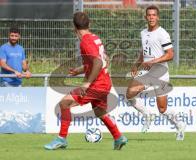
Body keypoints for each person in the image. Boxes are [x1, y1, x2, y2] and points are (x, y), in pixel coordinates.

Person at [44, 12, 127, 150]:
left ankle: (62, 139)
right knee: (100, 111)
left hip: (97, 84)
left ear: (73, 27)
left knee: (65, 103)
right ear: (89, 24)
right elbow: (104, 59)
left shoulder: (85, 42)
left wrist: (87, 83)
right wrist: (80, 70)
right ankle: (118, 137)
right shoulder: (95, 38)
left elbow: (98, 62)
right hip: (105, 82)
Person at [126, 5, 186, 140]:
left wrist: (153, 61)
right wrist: (136, 64)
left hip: (161, 74)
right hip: (147, 73)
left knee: (163, 109)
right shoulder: (143, 33)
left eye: (154, 15)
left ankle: (180, 125)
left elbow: (170, 54)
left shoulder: (162, 33)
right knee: (130, 93)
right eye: (149, 15)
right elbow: (145, 52)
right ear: (145, 17)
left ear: (157, 17)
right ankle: (147, 115)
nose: (151, 17)